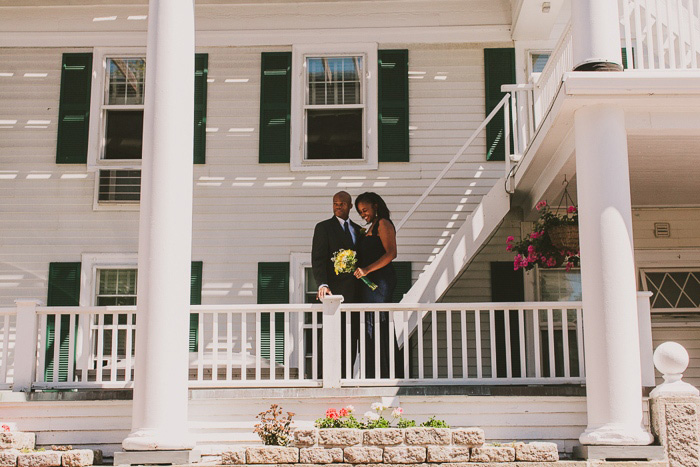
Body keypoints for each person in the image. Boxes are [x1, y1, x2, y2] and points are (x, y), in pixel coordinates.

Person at [311, 191, 362, 377]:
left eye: (342, 204)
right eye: (335, 203)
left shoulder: (359, 229)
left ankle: (346, 375)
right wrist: (322, 284)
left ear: (350, 206)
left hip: (357, 294)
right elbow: (318, 259)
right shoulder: (323, 228)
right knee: (331, 337)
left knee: (352, 336)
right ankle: (323, 375)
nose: (338, 207)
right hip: (335, 293)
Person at [353, 192, 402, 378]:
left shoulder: (383, 223)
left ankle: (386, 372)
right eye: (360, 212)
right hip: (369, 282)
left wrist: (367, 270)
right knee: (369, 324)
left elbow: (391, 254)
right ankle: (372, 372)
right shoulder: (370, 227)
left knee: (378, 322)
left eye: (365, 210)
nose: (363, 214)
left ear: (375, 206)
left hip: (380, 281)